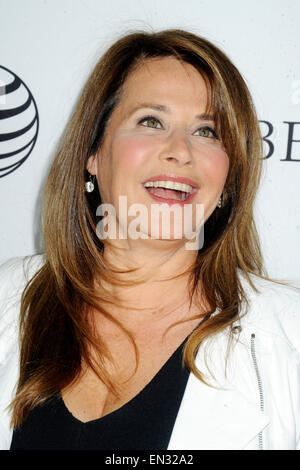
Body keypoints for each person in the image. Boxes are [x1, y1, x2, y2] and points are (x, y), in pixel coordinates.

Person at [0, 29, 299, 451]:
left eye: (208, 132)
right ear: (93, 154)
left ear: (229, 179)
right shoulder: (8, 295)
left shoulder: (290, 338)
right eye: (151, 121)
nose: (180, 150)